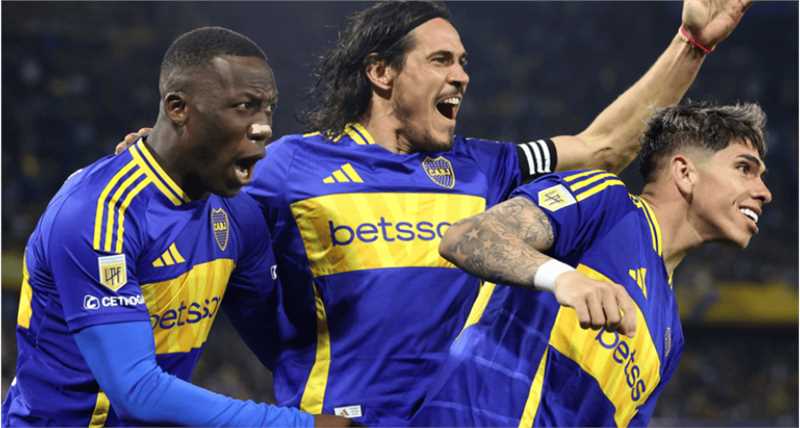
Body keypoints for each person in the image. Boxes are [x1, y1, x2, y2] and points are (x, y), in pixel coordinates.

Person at [116, 1, 751, 425]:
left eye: (464, 62)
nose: (462, 76)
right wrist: (162, 158)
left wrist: (692, 43)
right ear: (381, 72)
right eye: (442, 60)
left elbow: (604, 146)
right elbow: (193, 213)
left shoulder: (484, 167)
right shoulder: (290, 166)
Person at [3, 27, 349, 427]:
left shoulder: (238, 214)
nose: (263, 127)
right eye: (244, 106)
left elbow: (287, 347)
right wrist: (303, 425)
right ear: (178, 108)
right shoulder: (99, 212)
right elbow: (137, 391)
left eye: (267, 109)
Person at [410, 101, 771, 426]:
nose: (764, 192)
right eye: (744, 168)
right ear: (685, 173)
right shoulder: (608, 204)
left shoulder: (669, 336)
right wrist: (563, 278)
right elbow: (467, 237)